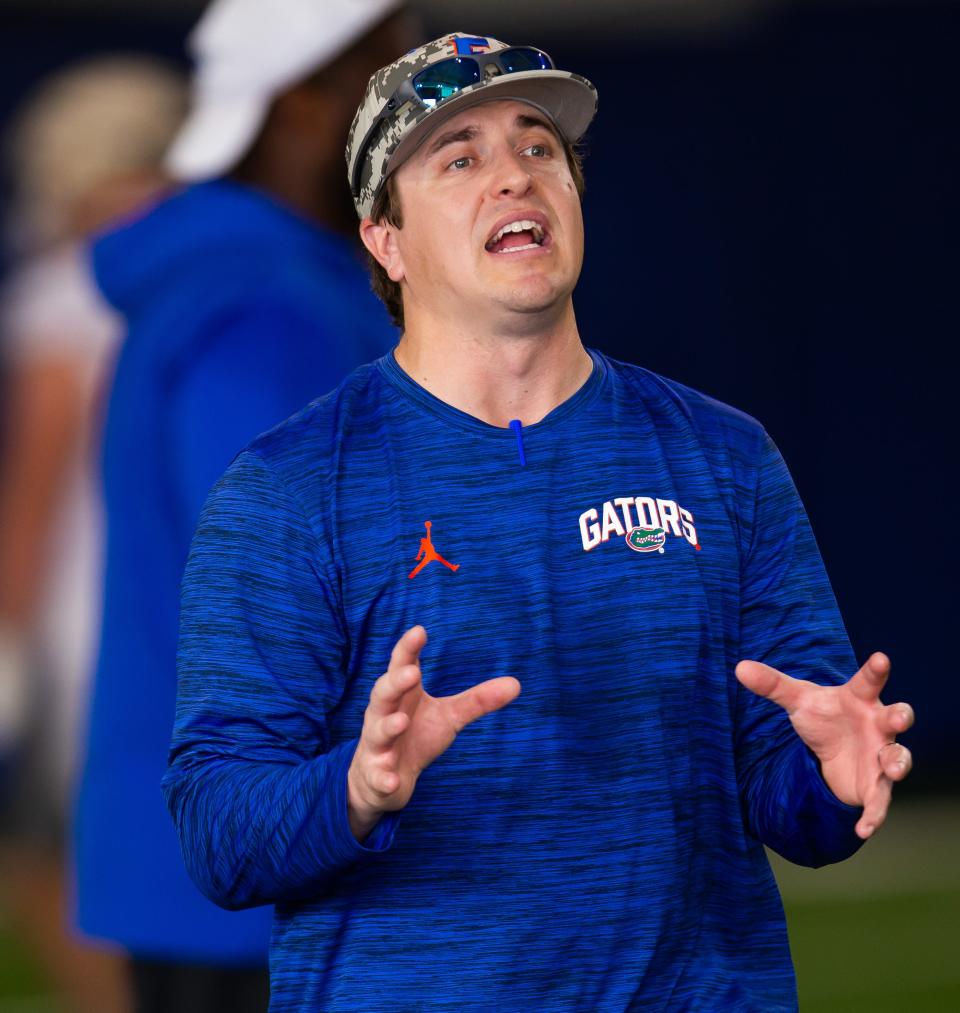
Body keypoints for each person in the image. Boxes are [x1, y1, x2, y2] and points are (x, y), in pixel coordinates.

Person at [163, 32, 915, 1012]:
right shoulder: (288, 485)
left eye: (538, 148)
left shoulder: (723, 455)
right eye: (460, 157)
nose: (514, 177)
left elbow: (790, 790)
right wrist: (353, 788)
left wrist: (830, 777)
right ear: (385, 239)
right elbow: (217, 826)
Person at [73, 1, 411, 1008]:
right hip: (268, 875)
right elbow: (277, 580)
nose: (415, 104)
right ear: (302, 99)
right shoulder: (267, 302)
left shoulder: (247, 282)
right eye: (387, 69)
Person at [0, 55, 187, 1013]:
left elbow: (34, 492)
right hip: (211, 619)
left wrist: (10, 642)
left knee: (75, 871)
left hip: (97, 636)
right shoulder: (231, 264)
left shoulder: (65, 287)